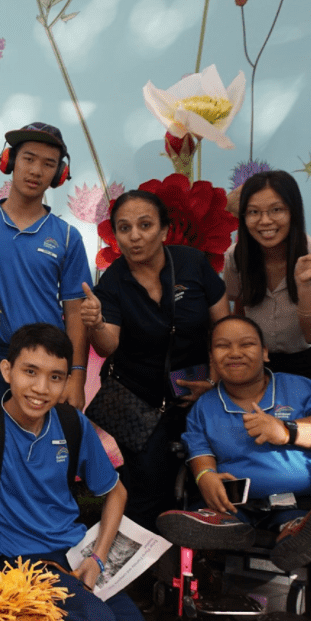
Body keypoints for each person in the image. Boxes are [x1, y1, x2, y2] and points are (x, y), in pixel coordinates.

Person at [0, 322, 154, 621]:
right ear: (7, 370)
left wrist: (97, 557)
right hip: (17, 567)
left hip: (74, 558)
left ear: (66, 381)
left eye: (55, 377)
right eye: (30, 372)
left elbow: (117, 492)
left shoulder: (72, 424)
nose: (41, 388)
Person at [157, 316, 311, 572]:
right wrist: (204, 475)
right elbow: (198, 448)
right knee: (208, 516)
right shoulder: (205, 407)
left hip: (301, 501)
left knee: (306, 521)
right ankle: (222, 528)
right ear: (211, 358)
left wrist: (287, 431)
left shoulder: (299, 388)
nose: (235, 353)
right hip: (234, 505)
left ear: (265, 353)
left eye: (247, 344)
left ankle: (294, 535)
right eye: (223, 346)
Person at [80, 190, 230, 531]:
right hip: (135, 400)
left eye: (145, 225)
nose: (134, 236)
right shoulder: (113, 281)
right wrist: (97, 323)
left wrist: (216, 381)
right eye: (124, 227)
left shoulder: (191, 263)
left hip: (196, 395)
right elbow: (107, 346)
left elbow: (223, 327)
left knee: (200, 480)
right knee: (146, 490)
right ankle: (144, 573)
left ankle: (192, 565)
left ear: (164, 230)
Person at [0, 122, 92, 410]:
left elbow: (75, 313)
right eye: (28, 159)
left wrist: (76, 377)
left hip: (49, 362)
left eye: (48, 164)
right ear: (10, 162)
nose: (36, 171)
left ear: (59, 174)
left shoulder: (67, 237)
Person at [225, 171, 311, 385]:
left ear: (294, 211)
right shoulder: (235, 256)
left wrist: (303, 285)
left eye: (276, 210)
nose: (265, 221)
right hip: (257, 364)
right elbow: (240, 307)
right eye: (253, 212)